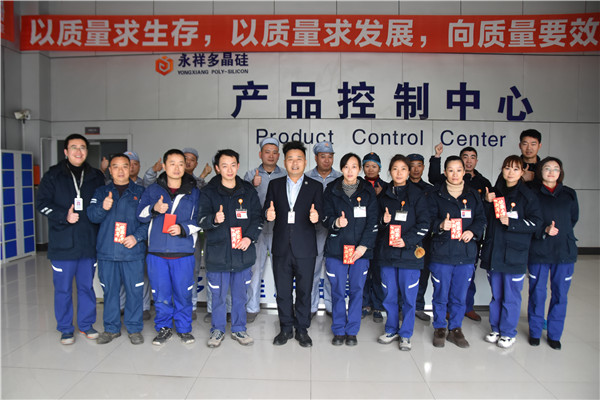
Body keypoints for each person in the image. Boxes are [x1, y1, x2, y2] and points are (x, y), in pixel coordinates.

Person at [36, 133, 105, 344]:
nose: (78, 151)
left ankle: (86, 324)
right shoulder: (53, 175)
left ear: (87, 151)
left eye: (82, 147)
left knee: (86, 287)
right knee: (63, 289)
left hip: (87, 242)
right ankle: (66, 328)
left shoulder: (95, 176)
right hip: (62, 243)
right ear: (66, 151)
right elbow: (41, 203)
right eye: (74, 147)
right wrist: (63, 216)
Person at [198, 149, 262, 348]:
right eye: (224, 166)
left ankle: (239, 328)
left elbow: (257, 218)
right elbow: (200, 220)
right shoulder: (208, 192)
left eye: (233, 165)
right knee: (217, 296)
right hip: (218, 254)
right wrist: (213, 219)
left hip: (242, 253)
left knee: (240, 295)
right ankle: (217, 329)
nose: (229, 169)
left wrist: (249, 237)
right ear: (217, 168)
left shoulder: (248, 190)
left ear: (238, 166)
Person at [137, 149, 201, 346]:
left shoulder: (194, 192)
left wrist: (183, 228)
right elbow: (140, 215)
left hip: (183, 252)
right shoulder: (152, 190)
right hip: (157, 253)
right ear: (164, 166)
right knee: (161, 294)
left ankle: (184, 328)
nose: (177, 168)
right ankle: (163, 328)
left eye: (181, 163)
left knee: (183, 293)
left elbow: (201, 219)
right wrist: (154, 209)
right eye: (172, 163)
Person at [264, 141, 323, 347]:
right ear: (284, 162)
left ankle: (302, 329)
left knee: (305, 291)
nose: (295, 163)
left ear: (305, 162)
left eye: (299, 159)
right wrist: (268, 214)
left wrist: (317, 217)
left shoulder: (315, 186)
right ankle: (286, 328)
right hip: (281, 246)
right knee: (283, 291)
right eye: (290, 159)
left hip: (305, 248)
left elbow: (322, 214)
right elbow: (267, 209)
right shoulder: (275, 185)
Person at [481, 155, 543, 349]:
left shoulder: (527, 196)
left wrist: (513, 223)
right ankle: (496, 328)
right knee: (496, 295)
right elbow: (483, 218)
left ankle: (508, 332)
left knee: (511, 296)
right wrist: (486, 201)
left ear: (522, 172)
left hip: (514, 254)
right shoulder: (495, 192)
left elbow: (537, 223)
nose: (510, 172)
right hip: (495, 252)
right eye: (507, 168)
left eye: (516, 169)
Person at [87, 153, 148, 345]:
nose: (120, 171)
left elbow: (149, 222)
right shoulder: (101, 192)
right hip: (108, 252)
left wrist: (136, 237)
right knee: (110, 292)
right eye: (116, 166)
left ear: (131, 168)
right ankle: (111, 328)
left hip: (132, 252)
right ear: (110, 170)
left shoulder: (141, 192)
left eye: (125, 166)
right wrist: (103, 207)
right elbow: (92, 216)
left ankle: (134, 328)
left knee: (135, 292)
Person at [428, 144, 492, 322]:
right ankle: (440, 326)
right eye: (451, 170)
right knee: (440, 295)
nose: (455, 174)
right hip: (441, 252)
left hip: (465, 252)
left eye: (458, 170)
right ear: (445, 172)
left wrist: (472, 231)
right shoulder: (435, 194)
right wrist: (441, 225)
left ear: (464, 172)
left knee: (459, 295)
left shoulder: (473, 195)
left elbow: (481, 218)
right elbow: (427, 220)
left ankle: (456, 327)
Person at [323, 153, 378, 346]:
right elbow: (324, 217)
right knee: (337, 291)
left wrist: (363, 246)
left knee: (357, 291)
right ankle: (339, 330)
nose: (350, 171)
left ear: (359, 169)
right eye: (346, 166)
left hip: (360, 252)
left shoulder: (368, 191)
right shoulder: (332, 189)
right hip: (336, 250)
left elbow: (373, 222)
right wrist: (336, 222)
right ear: (341, 169)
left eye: (354, 166)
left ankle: (352, 331)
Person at [376, 155, 430, 351]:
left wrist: (406, 240)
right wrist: (383, 221)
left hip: (409, 255)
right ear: (389, 171)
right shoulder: (383, 196)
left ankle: (406, 334)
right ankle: (391, 329)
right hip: (388, 255)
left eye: (403, 169)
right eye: (395, 169)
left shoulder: (418, 195)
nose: (399, 173)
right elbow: (375, 225)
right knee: (389, 295)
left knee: (408, 298)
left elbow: (425, 224)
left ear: (408, 172)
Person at [527, 157, 579, 350]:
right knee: (537, 293)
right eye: (547, 168)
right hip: (539, 250)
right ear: (540, 171)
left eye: (555, 169)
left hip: (563, 251)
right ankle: (534, 332)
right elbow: (529, 220)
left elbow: (573, 219)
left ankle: (555, 334)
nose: (551, 172)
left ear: (560, 172)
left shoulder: (569, 194)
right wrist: (544, 230)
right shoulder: (532, 194)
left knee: (560, 294)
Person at [243, 138, 286, 323]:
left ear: (279, 155)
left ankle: (284, 309)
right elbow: (241, 200)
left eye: (274, 152)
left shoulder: (285, 174)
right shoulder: (250, 175)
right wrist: (252, 185)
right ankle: (252, 307)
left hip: (280, 229)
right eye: (267, 152)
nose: (271, 155)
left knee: (283, 270)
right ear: (260, 154)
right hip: (257, 230)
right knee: (255, 269)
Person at [306, 141, 342, 318]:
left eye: (330, 156)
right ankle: (311, 307)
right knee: (312, 270)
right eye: (323, 156)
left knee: (332, 272)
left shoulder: (341, 178)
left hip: (336, 231)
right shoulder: (306, 177)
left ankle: (331, 307)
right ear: (315, 158)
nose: (327, 160)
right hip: (313, 231)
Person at [117, 151, 152, 321]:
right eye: (127, 164)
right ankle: (122, 305)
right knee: (120, 274)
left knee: (142, 274)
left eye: (134, 164)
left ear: (139, 166)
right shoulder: (111, 186)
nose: (130, 167)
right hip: (119, 235)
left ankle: (144, 307)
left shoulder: (144, 187)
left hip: (140, 235)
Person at [407, 153, 434, 322]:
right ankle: (403, 306)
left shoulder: (430, 190)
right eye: (412, 166)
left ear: (423, 167)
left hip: (425, 238)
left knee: (423, 273)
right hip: (405, 237)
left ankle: (418, 306)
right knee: (403, 273)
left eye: (419, 165)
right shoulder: (401, 187)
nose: (415, 169)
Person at [360, 152, 387, 323]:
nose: (370, 169)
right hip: (362, 235)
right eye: (367, 166)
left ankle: (378, 306)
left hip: (381, 237)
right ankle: (364, 304)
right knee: (363, 272)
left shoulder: (386, 187)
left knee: (378, 273)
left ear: (380, 168)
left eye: (374, 166)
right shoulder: (358, 184)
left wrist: (380, 195)